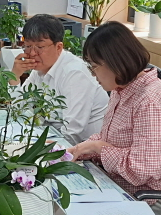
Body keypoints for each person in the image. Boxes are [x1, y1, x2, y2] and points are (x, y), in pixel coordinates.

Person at [67, 21, 161, 215]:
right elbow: (112, 138)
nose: (93, 74)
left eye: (94, 67)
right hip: (122, 187)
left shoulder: (151, 99)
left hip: (152, 200)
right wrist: (82, 149)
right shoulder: (121, 89)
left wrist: (99, 148)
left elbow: (146, 167)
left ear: (115, 62)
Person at [9, 14, 109, 144]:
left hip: (88, 150)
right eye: (28, 46)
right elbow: (17, 111)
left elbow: (72, 133)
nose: (32, 53)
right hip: (54, 137)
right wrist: (14, 77)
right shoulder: (39, 70)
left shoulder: (74, 73)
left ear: (59, 47)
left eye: (40, 47)